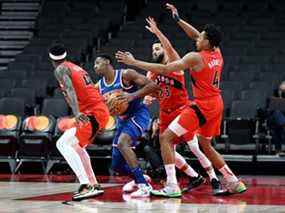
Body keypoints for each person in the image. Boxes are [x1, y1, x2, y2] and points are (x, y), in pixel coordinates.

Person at [115, 3, 246, 197]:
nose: (196, 38)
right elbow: (194, 35)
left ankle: (172, 185)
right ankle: (233, 181)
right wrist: (177, 20)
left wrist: (133, 62)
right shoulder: (216, 52)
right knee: (205, 145)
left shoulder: (194, 57)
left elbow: (167, 69)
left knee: (166, 138)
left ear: (208, 42)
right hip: (216, 103)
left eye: (201, 37)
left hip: (201, 106)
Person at [143, 17, 225, 195]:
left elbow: (170, 48)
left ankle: (214, 179)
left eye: (158, 47)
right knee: (166, 146)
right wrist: (149, 98)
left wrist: (158, 32)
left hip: (182, 110)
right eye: (153, 49)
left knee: (194, 146)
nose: (155, 50)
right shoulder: (152, 71)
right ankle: (192, 175)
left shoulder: (175, 64)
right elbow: (154, 91)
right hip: (165, 113)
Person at [48, 43, 110, 201]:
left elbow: (69, 89)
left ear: (51, 59)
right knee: (77, 146)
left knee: (64, 144)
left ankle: (86, 185)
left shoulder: (60, 69)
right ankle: (93, 184)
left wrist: (76, 113)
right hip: (97, 111)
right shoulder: (74, 67)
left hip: (92, 112)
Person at [94, 54, 160, 197]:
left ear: (107, 62)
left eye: (97, 63)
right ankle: (139, 178)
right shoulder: (98, 86)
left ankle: (144, 186)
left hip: (138, 114)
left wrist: (132, 95)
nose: (95, 67)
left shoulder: (126, 75)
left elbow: (153, 85)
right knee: (116, 165)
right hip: (122, 120)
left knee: (123, 143)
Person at [268, 81, 285, 156]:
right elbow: (269, 112)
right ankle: (278, 150)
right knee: (277, 113)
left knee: (277, 126)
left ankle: (278, 150)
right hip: (277, 121)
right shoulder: (273, 99)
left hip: (280, 121)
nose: (281, 91)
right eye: (280, 90)